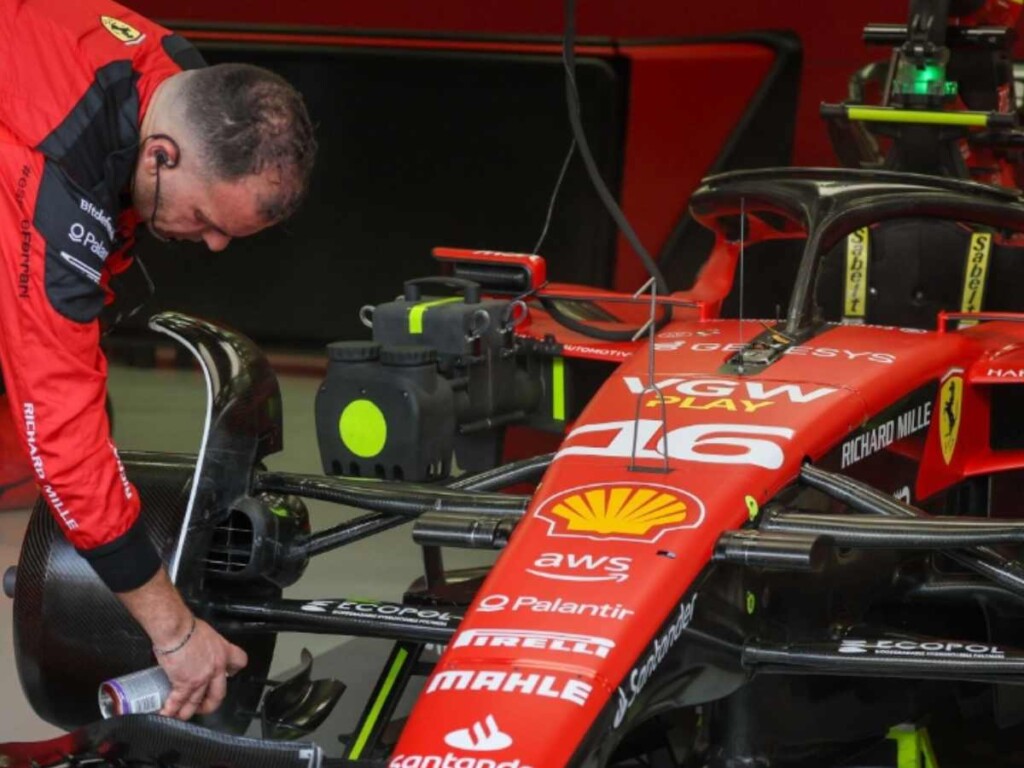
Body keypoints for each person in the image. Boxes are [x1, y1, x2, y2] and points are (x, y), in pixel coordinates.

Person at [0, 0, 316, 722]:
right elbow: (64, 441)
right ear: (162, 155)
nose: (209, 245)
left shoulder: (172, 78)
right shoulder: (56, 177)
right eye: (204, 220)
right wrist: (173, 633)